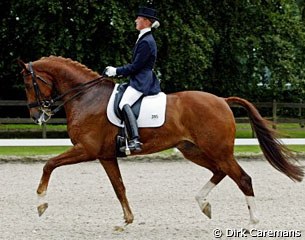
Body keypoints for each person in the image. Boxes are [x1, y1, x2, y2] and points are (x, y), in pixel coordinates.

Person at [104, 6, 161, 153]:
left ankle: (135, 139)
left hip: (142, 80)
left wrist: (116, 71)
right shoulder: (143, 38)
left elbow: (136, 66)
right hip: (138, 78)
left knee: (124, 103)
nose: (136, 20)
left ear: (146, 22)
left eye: (139, 18)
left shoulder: (146, 41)